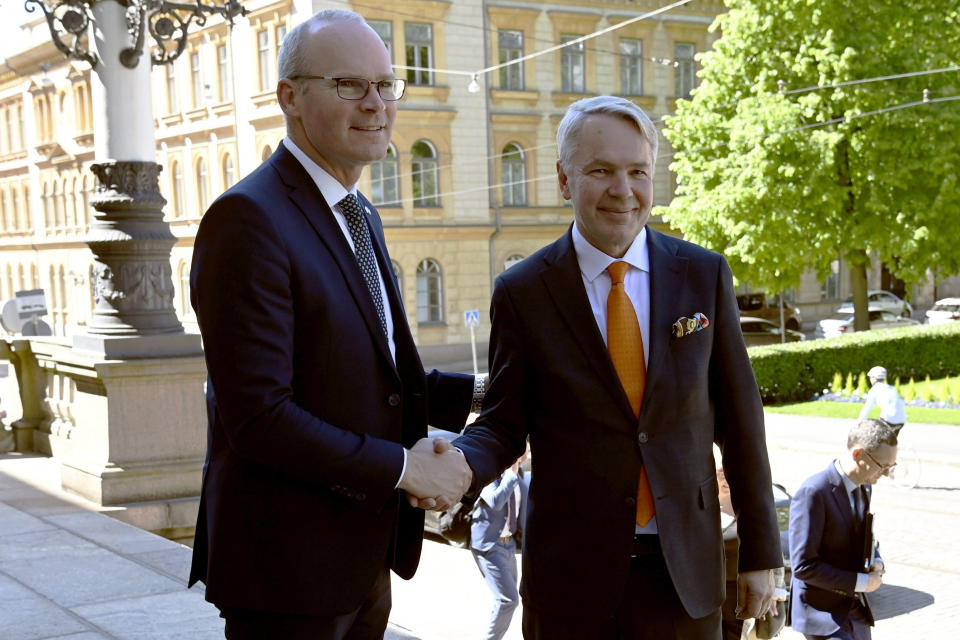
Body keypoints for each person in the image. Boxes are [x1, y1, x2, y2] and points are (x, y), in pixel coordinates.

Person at [187, 10, 477, 639]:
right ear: (290, 97)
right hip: (287, 569)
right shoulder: (247, 219)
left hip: (360, 551)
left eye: (385, 85)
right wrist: (405, 469)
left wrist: (488, 392)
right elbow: (259, 416)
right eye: (350, 85)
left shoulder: (358, 210)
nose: (376, 104)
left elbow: (371, 375)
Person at [452, 95, 782, 639]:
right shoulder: (523, 292)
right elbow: (505, 423)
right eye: (600, 171)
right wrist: (458, 466)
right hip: (570, 581)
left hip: (687, 572)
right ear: (563, 180)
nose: (622, 190)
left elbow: (742, 424)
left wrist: (761, 554)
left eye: (637, 171)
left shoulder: (702, 274)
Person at [789, 418, 897, 640]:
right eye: (882, 466)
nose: (885, 474)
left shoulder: (865, 485)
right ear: (858, 454)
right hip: (822, 615)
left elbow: (861, 535)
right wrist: (862, 582)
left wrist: (876, 560)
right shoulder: (814, 492)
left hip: (854, 609)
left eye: (890, 467)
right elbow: (803, 566)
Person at [470, 447, 529, 640]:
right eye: (522, 451)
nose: (524, 456)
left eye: (526, 452)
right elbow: (495, 501)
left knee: (509, 599)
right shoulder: (492, 476)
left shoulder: (520, 478)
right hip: (489, 545)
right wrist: (510, 473)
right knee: (507, 600)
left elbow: (525, 516)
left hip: (509, 546)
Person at [859, 366, 906, 432]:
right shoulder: (891, 388)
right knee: (891, 440)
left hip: (889, 420)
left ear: (874, 378)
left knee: (877, 438)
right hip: (901, 420)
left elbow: (866, 409)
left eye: (870, 377)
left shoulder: (874, 390)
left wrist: (858, 424)